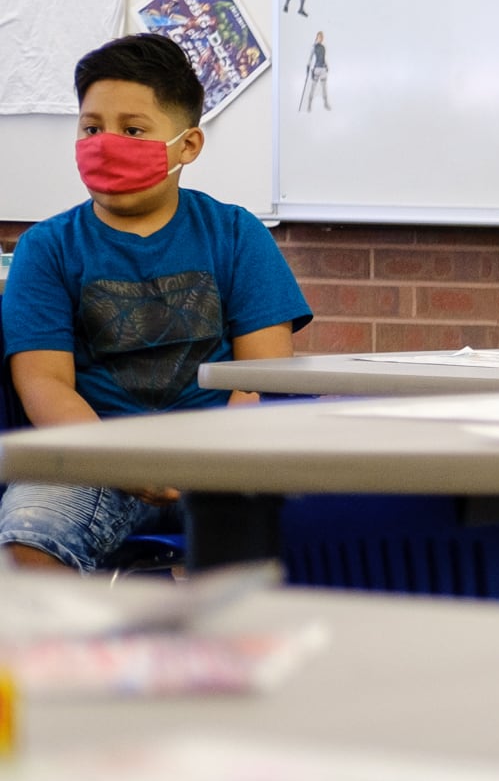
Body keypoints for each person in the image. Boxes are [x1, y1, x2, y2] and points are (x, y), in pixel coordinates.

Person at [0, 34, 309, 571]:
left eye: (133, 130)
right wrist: (119, 461)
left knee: (314, 539)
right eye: (92, 128)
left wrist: (211, 464)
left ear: (187, 145)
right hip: (94, 459)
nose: (106, 142)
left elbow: (263, 373)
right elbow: (44, 383)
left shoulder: (236, 234)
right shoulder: (46, 248)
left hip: (226, 460)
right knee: (28, 542)